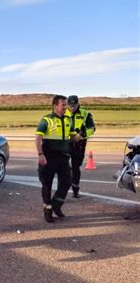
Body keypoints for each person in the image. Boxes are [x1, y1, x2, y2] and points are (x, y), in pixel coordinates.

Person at [35, 95, 82, 223]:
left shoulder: (68, 120)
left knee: (66, 182)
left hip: (63, 157)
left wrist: (80, 135)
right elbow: (38, 138)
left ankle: (56, 205)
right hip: (49, 157)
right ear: (55, 106)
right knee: (47, 184)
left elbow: (72, 138)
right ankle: (47, 210)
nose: (65, 107)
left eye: (66, 105)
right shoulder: (47, 120)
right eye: (63, 105)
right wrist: (40, 154)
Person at [65, 95, 96, 198]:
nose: (72, 107)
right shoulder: (63, 113)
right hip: (67, 142)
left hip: (80, 143)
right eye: (70, 105)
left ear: (78, 104)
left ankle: (75, 188)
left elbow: (92, 128)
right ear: (67, 104)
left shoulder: (85, 114)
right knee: (63, 164)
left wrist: (82, 134)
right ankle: (65, 184)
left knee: (76, 166)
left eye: (74, 105)